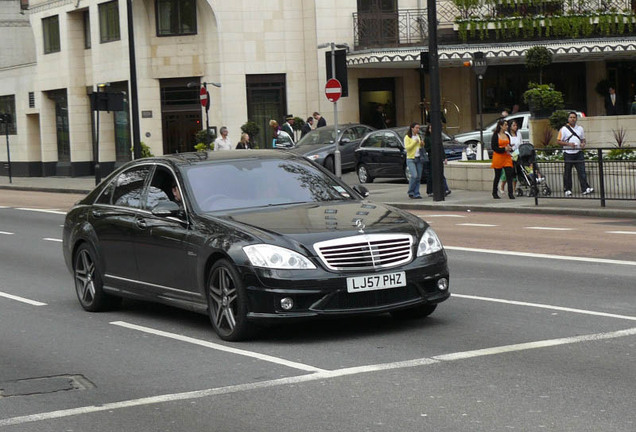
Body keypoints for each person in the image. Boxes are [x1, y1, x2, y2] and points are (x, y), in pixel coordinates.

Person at [557, 111, 593, 196]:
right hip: (568, 153)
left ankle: (585, 188)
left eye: (574, 117)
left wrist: (583, 144)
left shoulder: (580, 128)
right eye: (571, 117)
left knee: (582, 171)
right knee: (567, 172)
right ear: (568, 119)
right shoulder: (563, 129)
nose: (572, 119)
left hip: (578, 152)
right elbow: (558, 141)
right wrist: (568, 144)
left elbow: (583, 139)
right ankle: (567, 189)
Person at [490, 118, 515, 199]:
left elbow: (509, 145)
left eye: (507, 125)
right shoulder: (495, 135)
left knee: (509, 175)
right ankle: (494, 192)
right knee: (497, 175)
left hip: (507, 157)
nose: (507, 126)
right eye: (505, 125)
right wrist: (503, 149)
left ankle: (510, 193)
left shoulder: (507, 135)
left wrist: (510, 148)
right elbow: (494, 147)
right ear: (501, 126)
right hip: (498, 157)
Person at [424, 124, 451, 197]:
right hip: (431, 157)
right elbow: (426, 148)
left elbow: (441, 147)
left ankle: (445, 189)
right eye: (430, 128)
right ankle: (430, 190)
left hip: (438, 157)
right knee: (431, 175)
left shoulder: (438, 137)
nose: (431, 130)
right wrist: (433, 146)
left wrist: (444, 157)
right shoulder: (427, 138)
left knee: (441, 173)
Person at [499, 119, 522, 196]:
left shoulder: (518, 133)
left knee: (515, 171)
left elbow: (520, 143)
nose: (515, 127)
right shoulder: (507, 134)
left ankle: (514, 188)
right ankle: (502, 186)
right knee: (508, 172)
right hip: (509, 154)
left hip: (517, 153)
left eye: (516, 125)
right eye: (513, 125)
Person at [404, 122, 424, 199]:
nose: (418, 129)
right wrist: (414, 142)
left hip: (419, 158)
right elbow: (408, 148)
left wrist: (422, 144)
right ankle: (411, 191)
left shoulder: (418, 136)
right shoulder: (407, 137)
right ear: (412, 128)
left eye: (419, 128)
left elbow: (420, 146)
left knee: (418, 177)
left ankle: (416, 193)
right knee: (414, 175)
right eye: (416, 128)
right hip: (411, 158)